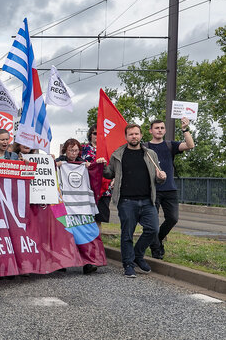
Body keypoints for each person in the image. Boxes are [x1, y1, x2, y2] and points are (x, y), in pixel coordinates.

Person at [103, 124, 166, 278]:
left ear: (141, 135)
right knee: (127, 234)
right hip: (126, 201)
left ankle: (138, 255)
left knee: (153, 230)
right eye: (131, 134)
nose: (134, 137)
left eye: (136, 134)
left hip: (147, 200)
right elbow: (109, 174)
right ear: (126, 137)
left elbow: (157, 179)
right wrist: (102, 166)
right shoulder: (118, 154)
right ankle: (128, 265)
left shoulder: (150, 154)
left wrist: (161, 177)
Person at [145, 117, 195, 259]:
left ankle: (157, 239)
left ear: (165, 130)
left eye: (162, 128)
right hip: (152, 190)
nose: (159, 130)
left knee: (173, 218)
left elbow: (190, 145)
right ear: (150, 131)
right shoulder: (145, 147)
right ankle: (156, 249)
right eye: (156, 128)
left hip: (169, 189)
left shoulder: (170, 145)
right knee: (152, 222)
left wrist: (185, 129)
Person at [56, 137, 99, 275]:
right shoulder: (59, 163)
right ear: (65, 150)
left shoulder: (84, 164)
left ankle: (87, 263)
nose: (73, 153)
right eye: (70, 150)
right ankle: (62, 263)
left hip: (82, 207)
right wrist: (55, 165)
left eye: (76, 150)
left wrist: (91, 167)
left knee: (83, 236)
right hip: (65, 207)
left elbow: (96, 176)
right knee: (65, 235)